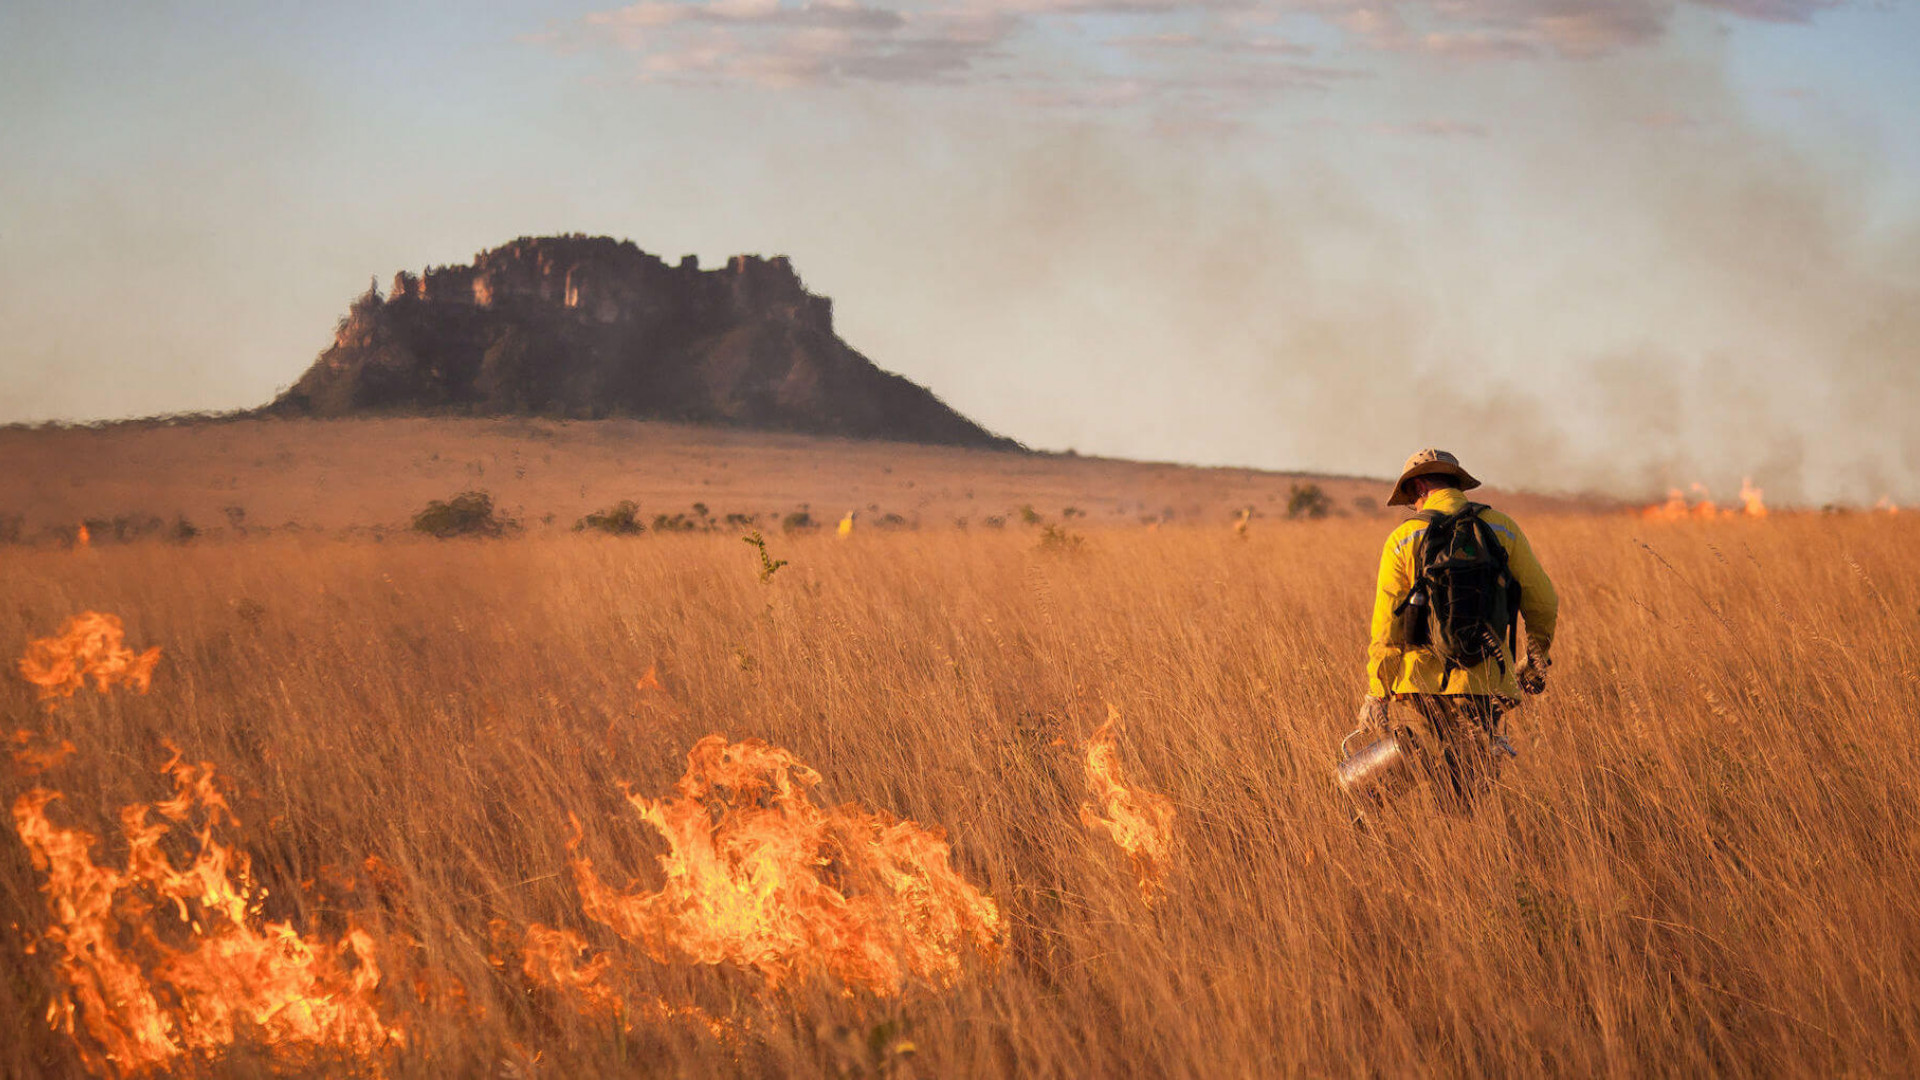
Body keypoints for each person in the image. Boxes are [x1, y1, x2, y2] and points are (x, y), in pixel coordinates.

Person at [1357, 449, 1558, 813]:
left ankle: (1440, 848)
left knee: (1422, 762)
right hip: (1486, 682)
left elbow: (1387, 626)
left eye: (1410, 499)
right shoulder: (1501, 527)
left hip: (1420, 686)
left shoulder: (1403, 538)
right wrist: (1537, 657)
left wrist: (1377, 691)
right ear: (1456, 483)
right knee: (1471, 783)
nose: (1412, 507)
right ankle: (1465, 836)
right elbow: (1543, 601)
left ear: (1419, 485)